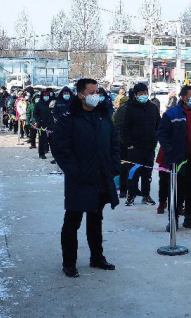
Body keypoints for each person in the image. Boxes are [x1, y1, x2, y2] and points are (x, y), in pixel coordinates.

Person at [51, 78, 120, 278]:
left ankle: (97, 257)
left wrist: (114, 166)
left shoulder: (103, 116)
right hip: (79, 178)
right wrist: (74, 171)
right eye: (91, 92)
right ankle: (69, 262)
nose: (95, 95)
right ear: (81, 95)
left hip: (100, 176)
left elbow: (114, 143)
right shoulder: (69, 118)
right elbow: (60, 148)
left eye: (97, 91)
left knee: (96, 219)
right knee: (73, 220)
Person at [156, 85, 191, 228]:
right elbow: (162, 133)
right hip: (177, 158)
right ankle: (173, 219)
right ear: (184, 97)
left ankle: (189, 218)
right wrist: (170, 150)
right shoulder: (172, 114)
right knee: (175, 190)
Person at [121, 83, 160, 207]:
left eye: (145, 93)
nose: (143, 95)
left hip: (149, 146)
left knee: (147, 172)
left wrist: (155, 140)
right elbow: (125, 127)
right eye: (140, 93)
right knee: (134, 172)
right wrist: (129, 144)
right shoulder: (130, 108)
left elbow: (158, 125)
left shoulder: (153, 108)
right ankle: (131, 195)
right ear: (136, 95)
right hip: (135, 147)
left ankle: (146, 195)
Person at [112, 95, 130, 198]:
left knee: (125, 166)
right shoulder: (124, 110)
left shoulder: (120, 110)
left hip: (123, 142)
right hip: (124, 143)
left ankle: (125, 189)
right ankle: (125, 188)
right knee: (126, 166)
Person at [34, 89, 55, 161]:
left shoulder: (52, 103)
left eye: (47, 95)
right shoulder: (38, 104)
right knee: (42, 140)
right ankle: (41, 153)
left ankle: (54, 154)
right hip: (42, 125)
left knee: (53, 140)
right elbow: (35, 114)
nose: (46, 96)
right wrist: (39, 119)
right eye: (45, 95)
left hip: (51, 124)